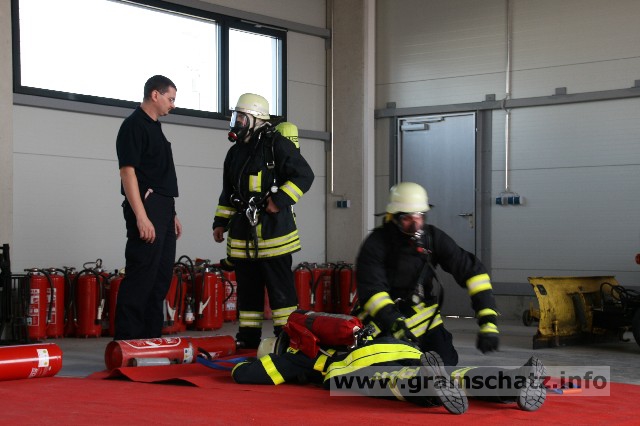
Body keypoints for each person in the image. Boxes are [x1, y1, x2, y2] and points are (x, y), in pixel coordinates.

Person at [230, 310, 547, 414]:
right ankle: (512, 381)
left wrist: (239, 365)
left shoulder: (299, 357)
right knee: (459, 373)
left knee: (391, 380)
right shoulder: (344, 327)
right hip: (403, 348)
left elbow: (246, 375)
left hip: (355, 367)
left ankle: (429, 387)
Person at [353, 182, 499, 366]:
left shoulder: (432, 238)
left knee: (445, 363)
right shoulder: (376, 244)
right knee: (393, 367)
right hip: (383, 321)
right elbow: (372, 291)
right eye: (407, 218)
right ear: (393, 217)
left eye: (420, 216)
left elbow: (473, 272)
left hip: (424, 319)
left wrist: (488, 320)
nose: (415, 224)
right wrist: (394, 323)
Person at [212, 93, 314, 349]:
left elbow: (304, 175)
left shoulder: (276, 145)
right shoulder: (235, 153)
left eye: (242, 117)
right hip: (243, 237)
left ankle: (286, 339)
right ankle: (247, 340)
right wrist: (220, 222)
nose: (237, 122)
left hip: (274, 236)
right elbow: (229, 192)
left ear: (257, 120)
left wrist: (279, 200)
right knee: (248, 293)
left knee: (281, 294)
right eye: (235, 117)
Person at [114, 75, 182, 340]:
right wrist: (141, 217)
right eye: (170, 98)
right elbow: (127, 172)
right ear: (155, 95)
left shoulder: (155, 128)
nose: (173, 105)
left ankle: (150, 341)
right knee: (141, 276)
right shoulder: (134, 126)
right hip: (147, 208)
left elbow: (158, 175)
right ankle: (127, 343)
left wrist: (172, 214)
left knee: (160, 278)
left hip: (164, 209)